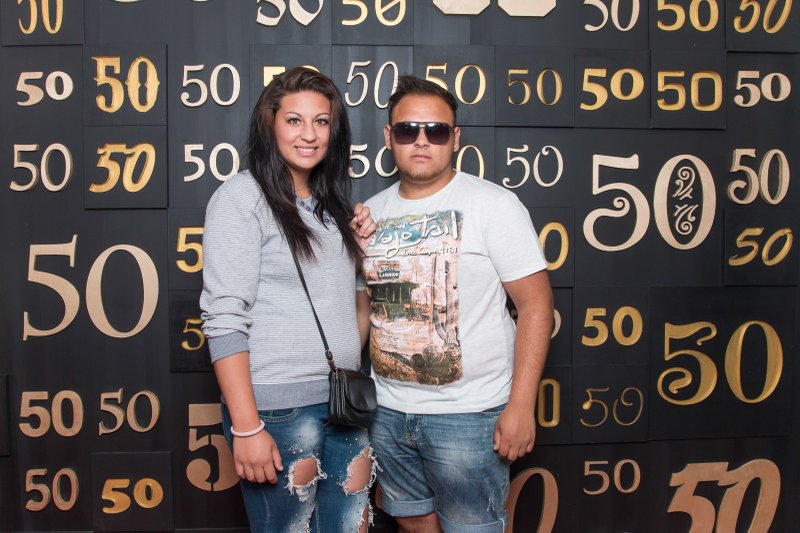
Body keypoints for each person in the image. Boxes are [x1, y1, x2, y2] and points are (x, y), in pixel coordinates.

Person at [362, 75, 554, 532]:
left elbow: (536, 306)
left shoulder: (494, 205)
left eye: (436, 130)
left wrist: (521, 405)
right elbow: (363, 310)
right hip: (387, 411)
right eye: (408, 130)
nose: (421, 140)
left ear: (455, 138)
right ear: (389, 137)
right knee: (413, 522)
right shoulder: (369, 213)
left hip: (470, 415)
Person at [200, 67, 378, 533]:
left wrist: (362, 262)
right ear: (270, 124)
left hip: (343, 405)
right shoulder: (242, 198)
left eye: (321, 121)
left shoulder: (333, 207)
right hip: (278, 411)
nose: (309, 134)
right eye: (294, 120)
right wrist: (246, 426)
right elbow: (224, 318)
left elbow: (349, 320)